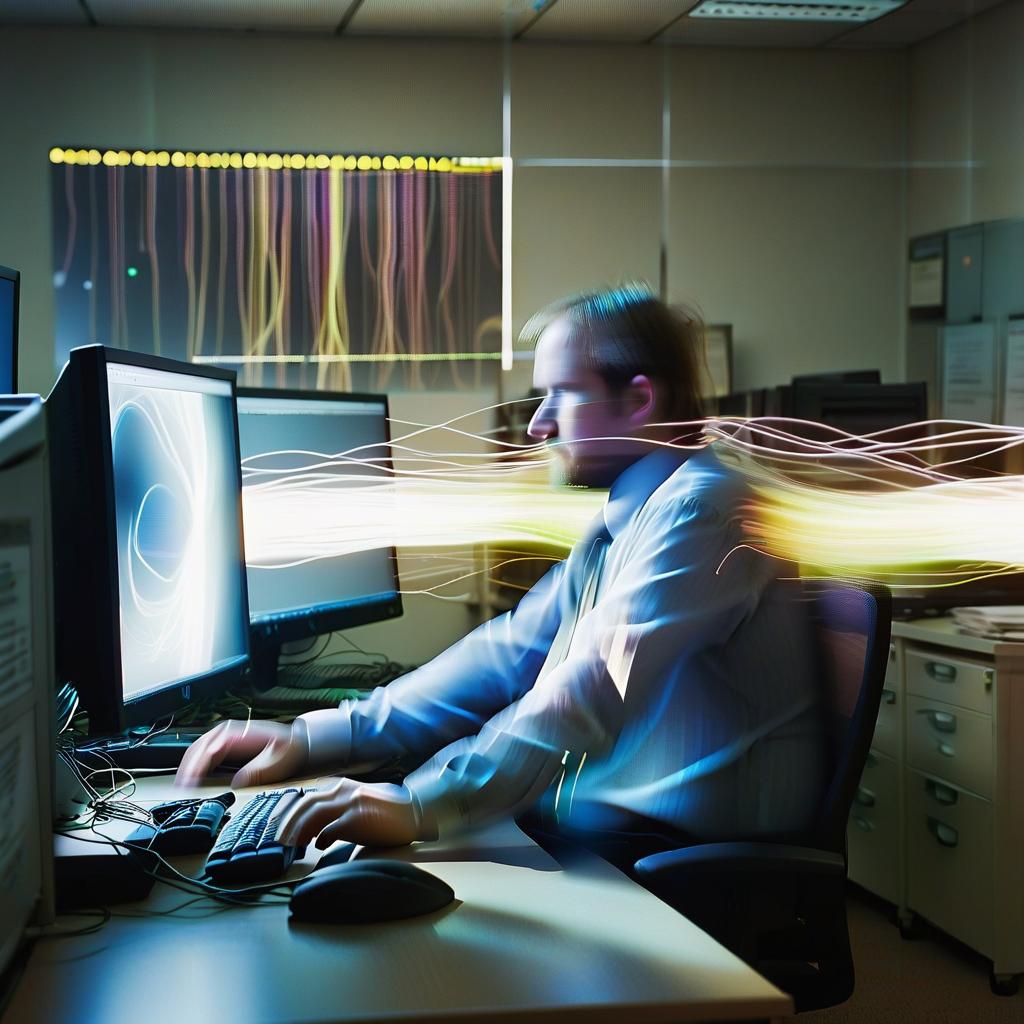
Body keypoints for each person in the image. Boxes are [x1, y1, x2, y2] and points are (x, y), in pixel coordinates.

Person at [177, 284, 824, 861]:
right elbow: (508, 653)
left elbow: (590, 686)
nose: (538, 424)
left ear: (637, 401)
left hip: (673, 856)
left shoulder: (706, 512)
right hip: (603, 826)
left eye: (560, 396)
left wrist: (421, 805)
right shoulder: (626, 520)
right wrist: (319, 736)